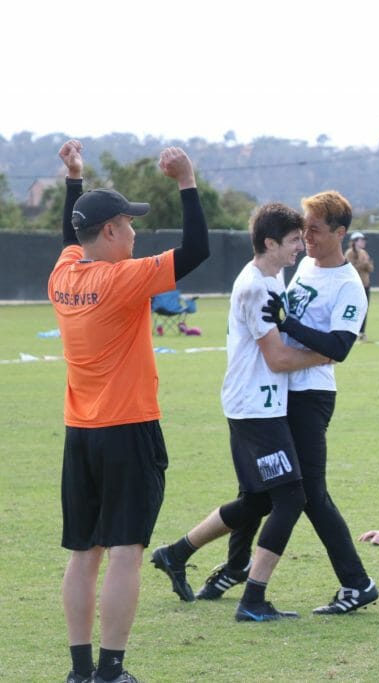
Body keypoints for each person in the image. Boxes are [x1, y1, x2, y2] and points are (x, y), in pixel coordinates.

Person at [50, 139, 210, 683]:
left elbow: (69, 238)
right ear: (113, 230)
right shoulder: (122, 279)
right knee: (124, 552)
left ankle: (79, 670)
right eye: (130, 223)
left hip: (81, 434)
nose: (136, 232)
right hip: (128, 428)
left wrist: (75, 179)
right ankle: (111, 671)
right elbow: (196, 253)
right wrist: (187, 182)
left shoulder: (64, 275)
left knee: (83, 553)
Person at [188, 190, 379, 616]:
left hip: (310, 395)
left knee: (307, 494)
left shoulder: (349, 285)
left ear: (340, 233)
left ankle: (356, 583)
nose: (306, 237)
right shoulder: (306, 265)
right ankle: (231, 566)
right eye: (301, 230)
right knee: (261, 491)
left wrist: (289, 324)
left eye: (314, 229)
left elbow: (339, 346)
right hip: (278, 391)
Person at [150, 203, 329, 622]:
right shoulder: (256, 287)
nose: (301, 248)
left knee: (256, 501)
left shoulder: (272, 275)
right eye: (292, 241)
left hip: (257, 404)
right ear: (269, 243)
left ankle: (175, 554)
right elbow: (279, 359)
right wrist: (326, 354)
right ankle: (253, 599)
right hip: (255, 408)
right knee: (291, 497)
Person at [345, 230, 373, 341]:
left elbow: (370, 268)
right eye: (361, 240)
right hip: (355, 286)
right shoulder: (349, 253)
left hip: (365, 284)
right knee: (353, 310)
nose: (363, 242)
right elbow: (350, 269)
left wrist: (367, 264)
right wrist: (363, 263)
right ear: (355, 241)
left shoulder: (364, 253)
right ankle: (352, 331)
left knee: (364, 309)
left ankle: (362, 332)